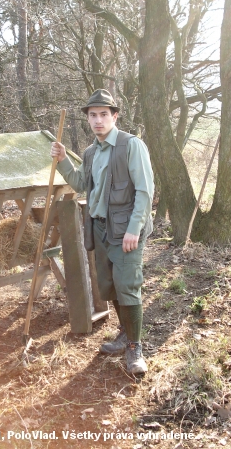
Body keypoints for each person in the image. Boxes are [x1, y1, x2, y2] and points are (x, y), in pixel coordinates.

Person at [50, 89, 154, 375]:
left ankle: (135, 347)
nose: (98, 120)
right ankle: (124, 332)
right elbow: (81, 184)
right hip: (99, 228)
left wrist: (135, 229)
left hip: (126, 231)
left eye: (103, 115)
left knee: (127, 284)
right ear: (88, 119)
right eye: (93, 115)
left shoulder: (131, 146)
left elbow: (145, 191)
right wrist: (62, 160)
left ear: (114, 116)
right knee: (108, 286)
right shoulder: (90, 152)